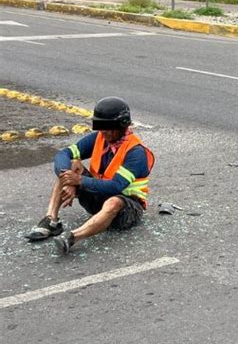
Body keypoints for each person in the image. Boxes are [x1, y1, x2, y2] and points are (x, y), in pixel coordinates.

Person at [25, 97, 155, 255]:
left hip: (126, 208)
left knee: (114, 201)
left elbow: (116, 186)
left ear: (122, 124)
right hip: (97, 198)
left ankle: (72, 237)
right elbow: (63, 154)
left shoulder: (136, 152)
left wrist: (79, 180)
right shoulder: (99, 138)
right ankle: (51, 220)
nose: (103, 131)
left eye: (107, 126)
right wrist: (69, 182)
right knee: (71, 165)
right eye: (100, 126)